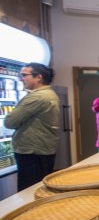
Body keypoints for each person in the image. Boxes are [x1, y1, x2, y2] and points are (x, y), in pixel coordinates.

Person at [5, 63, 60, 191]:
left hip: (32, 152)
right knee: (41, 188)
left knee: (29, 191)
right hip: (41, 150)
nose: (21, 78)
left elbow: (10, 122)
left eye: (24, 75)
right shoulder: (49, 94)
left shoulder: (37, 97)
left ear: (38, 77)